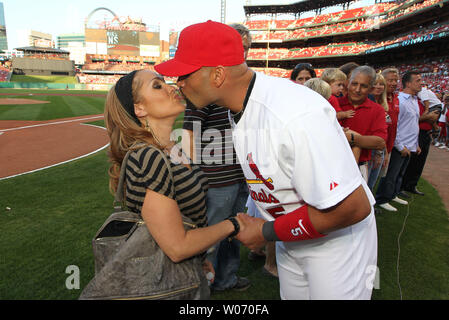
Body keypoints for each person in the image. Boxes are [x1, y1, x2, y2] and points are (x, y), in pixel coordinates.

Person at [155, 20, 378, 300]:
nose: (180, 82)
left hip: (336, 244)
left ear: (218, 75)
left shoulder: (293, 114)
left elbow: (352, 208)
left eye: (186, 73)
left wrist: (267, 230)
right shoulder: (237, 104)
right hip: (291, 236)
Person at [104, 69, 245, 298]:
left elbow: (187, 220)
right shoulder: (147, 157)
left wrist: (199, 260)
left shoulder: (172, 148)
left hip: (186, 275)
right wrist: (235, 224)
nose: (171, 87)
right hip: (161, 283)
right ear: (139, 108)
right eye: (157, 86)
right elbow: (177, 247)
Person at [181, 23, 252, 292]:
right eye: (237, 48)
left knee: (235, 232)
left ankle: (226, 279)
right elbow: (188, 133)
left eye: (245, 49)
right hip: (215, 179)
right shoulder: (206, 85)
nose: (241, 54)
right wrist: (192, 177)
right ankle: (201, 290)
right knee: (210, 238)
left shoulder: (240, 87)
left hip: (239, 175)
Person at [375, 70, 423, 212]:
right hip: (398, 144)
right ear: (408, 83)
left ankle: (392, 194)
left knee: (399, 173)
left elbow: (412, 124)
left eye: (395, 80)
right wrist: (400, 145)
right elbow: (397, 126)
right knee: (390, 173)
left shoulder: (410, 100)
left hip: (409, 143)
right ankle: (383, 197)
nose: (393, 83)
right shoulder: (401, 100)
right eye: (418, 81)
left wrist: (416, 144)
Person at [338, 66, 388, 180]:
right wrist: (362, 140)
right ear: (348, 84)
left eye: (363, 86)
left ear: (370, 89)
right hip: (330, 163)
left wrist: (349, 138)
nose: (357, 89)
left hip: (359, 166)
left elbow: (380, 142)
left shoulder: (377, 110)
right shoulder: (334, 105)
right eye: (354, 84)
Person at [400, 85, 441, 195]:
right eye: (417, 81)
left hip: (425, 133)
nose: (420, 84)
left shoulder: (422, 99)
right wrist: (427, 117)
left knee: (420, 162)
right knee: (410, 162)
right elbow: (410, 120)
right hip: (415, 133)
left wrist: (433, 125)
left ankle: (411, 185)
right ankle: (401, 187)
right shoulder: (409, 100)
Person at [367, 73, 389, 191]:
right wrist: (379, 153)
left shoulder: (383, 103)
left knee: (373, 181)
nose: (378, 86)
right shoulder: (367, 103)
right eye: (375, 84)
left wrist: (384, 152)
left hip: (380, 147)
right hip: (371, 149)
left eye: (381, 84)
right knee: (367, 183)